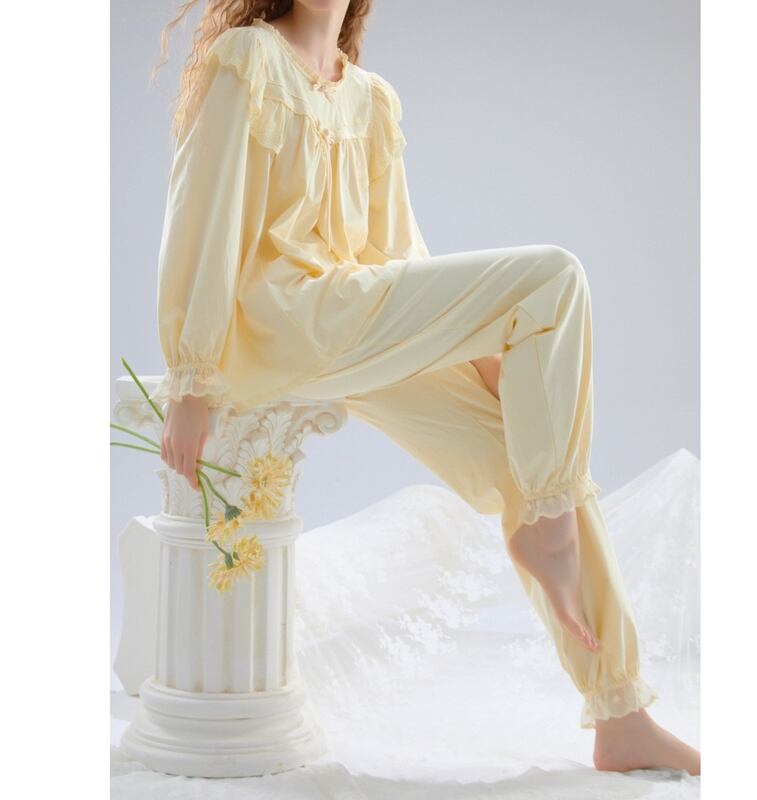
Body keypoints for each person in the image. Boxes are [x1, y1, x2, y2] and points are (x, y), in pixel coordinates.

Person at [151, 0, 700, 775]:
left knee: (538, 461)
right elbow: (203, 219)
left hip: (356, 321)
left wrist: (485, 357)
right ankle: (547, 535)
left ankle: (621, 713)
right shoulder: (249, 59)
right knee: (554, 278)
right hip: (283, 321)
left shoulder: (371, 99)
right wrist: (191, 377)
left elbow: (399, 258)